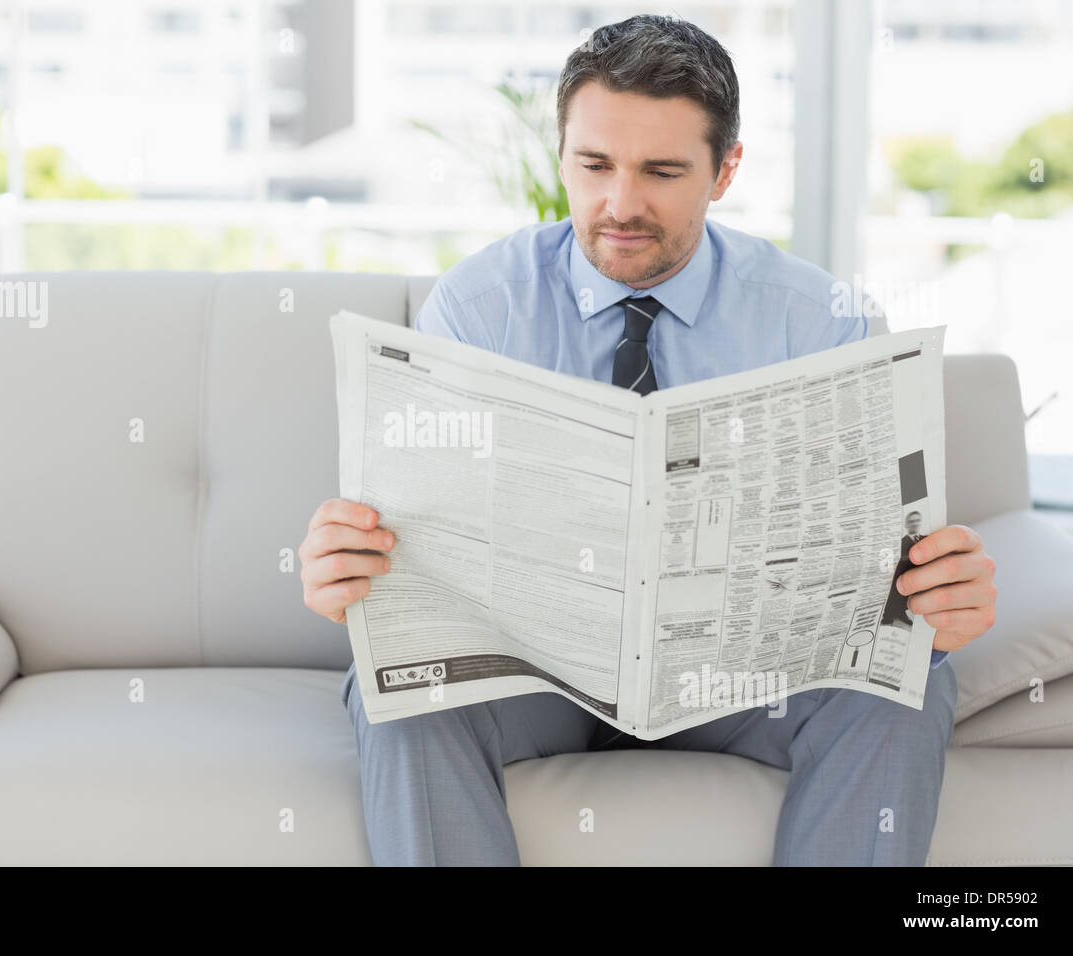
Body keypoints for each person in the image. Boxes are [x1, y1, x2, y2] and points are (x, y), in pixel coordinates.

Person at [298, 14, 997, 866]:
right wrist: (350, 569)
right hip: (536, 675)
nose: (620, 204)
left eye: (662, 172)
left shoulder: (824, 325)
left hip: (743, 681)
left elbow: (882, 565)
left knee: (914, 684)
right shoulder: (476, 311)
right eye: (593, 166)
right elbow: (418, 544)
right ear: (563, 153)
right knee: (397, 696)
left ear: (725, 169)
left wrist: (935, 598)